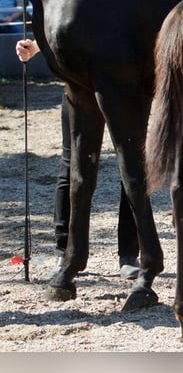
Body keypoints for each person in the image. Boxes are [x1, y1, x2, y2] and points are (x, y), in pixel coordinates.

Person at [15, 38, 141, 280]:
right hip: (81, 84)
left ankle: (129, 253)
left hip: (128, 85)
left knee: (132, 167)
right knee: (71, 166)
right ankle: (64, 250)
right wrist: (38, 44)